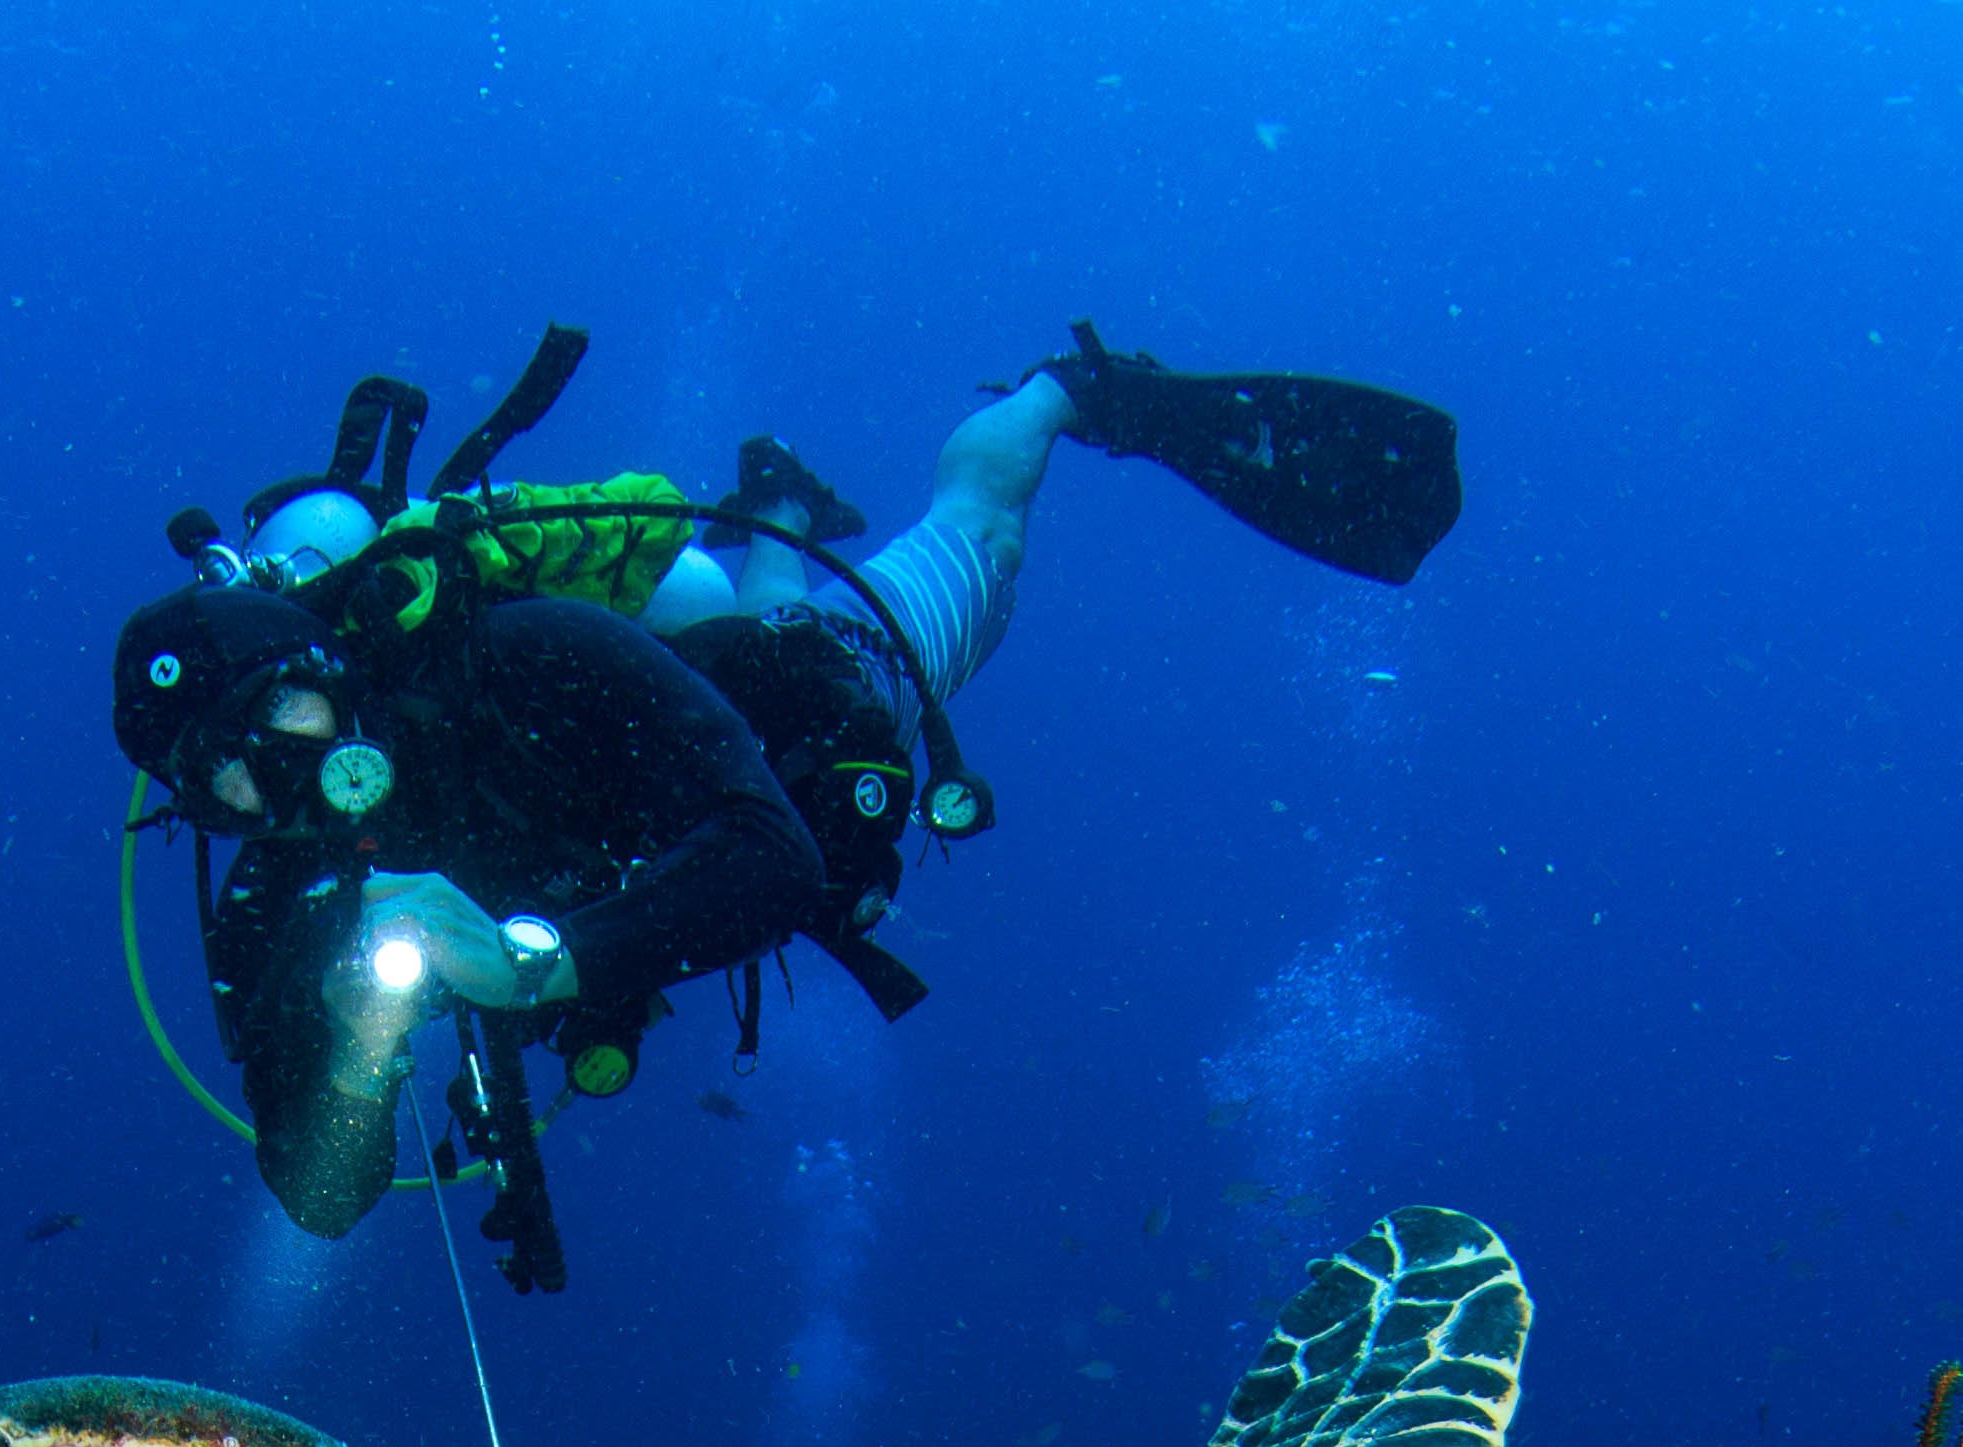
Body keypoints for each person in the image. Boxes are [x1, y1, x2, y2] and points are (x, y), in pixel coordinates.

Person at [109, 329, 1460, 1289]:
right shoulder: (278, 902)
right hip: (655, 808)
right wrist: (353, 1048)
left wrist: (536, 958)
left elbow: (774, 859)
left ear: (319, 661)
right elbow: (318, 1196)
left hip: (785, 721)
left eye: (265, 726)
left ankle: (1065, 392)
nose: (262, 784)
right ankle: (766, 509)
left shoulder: (516, 654)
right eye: (215, 783)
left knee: (971, 546)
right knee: (740, 603)